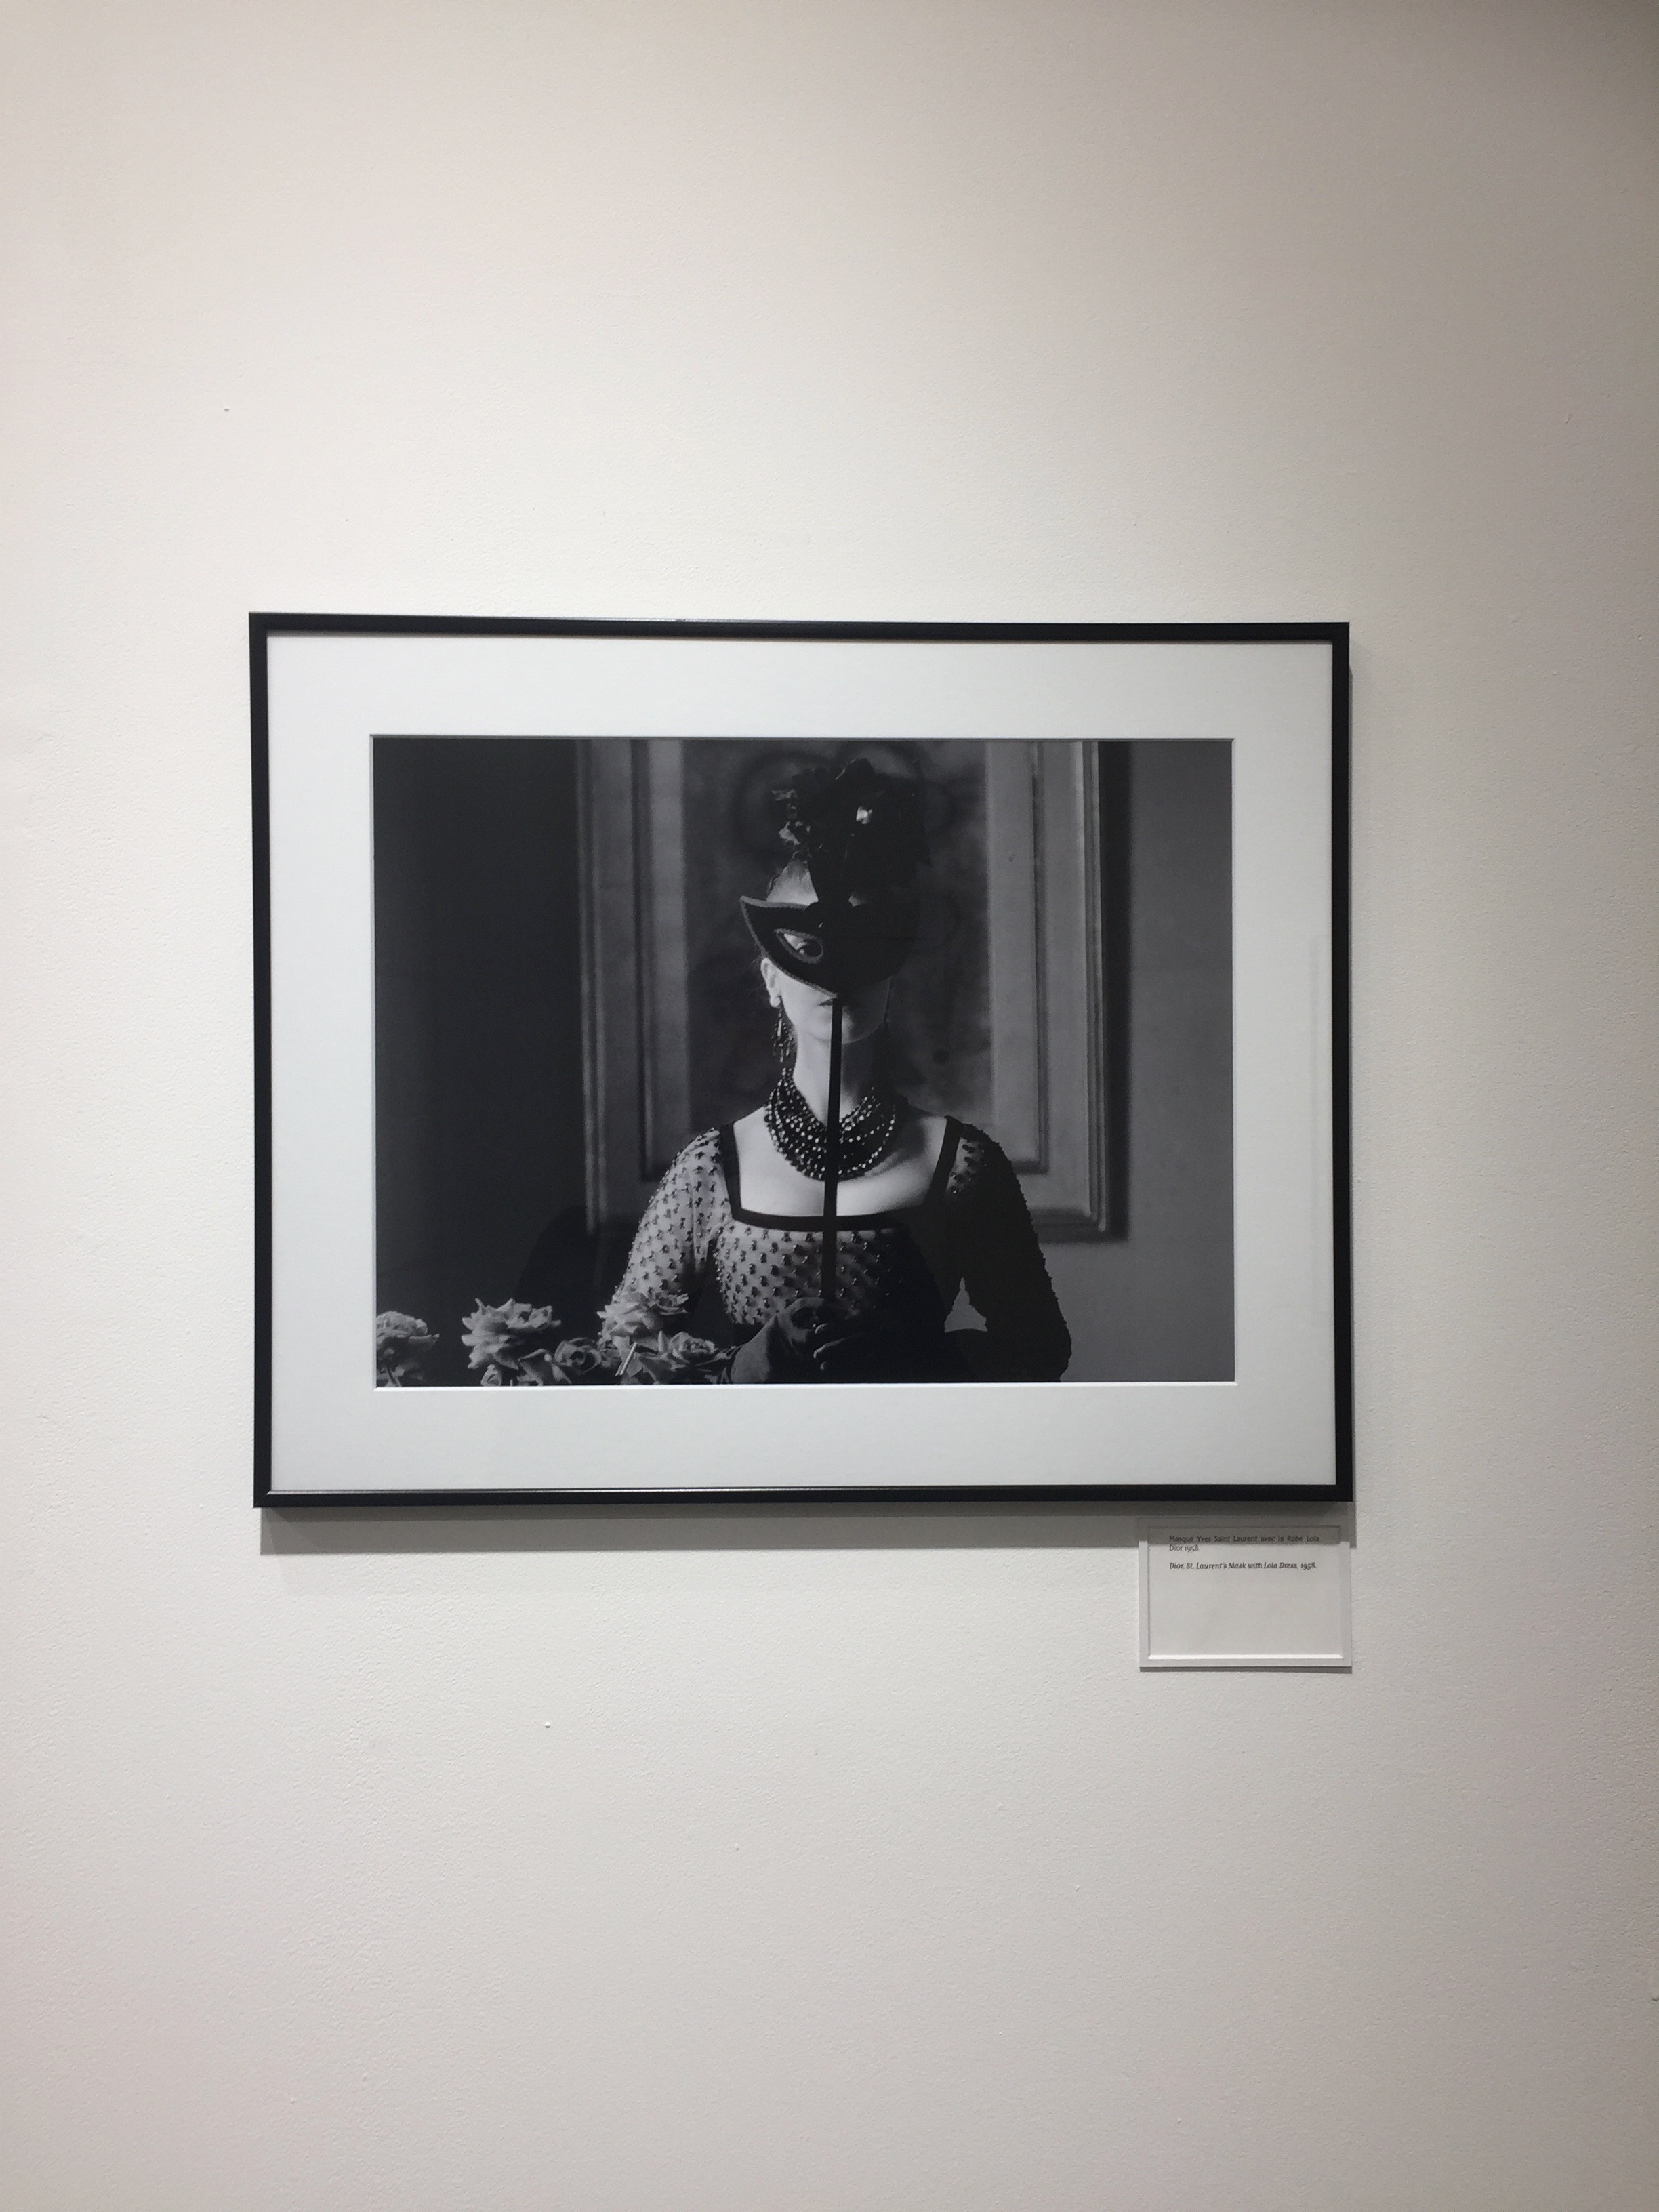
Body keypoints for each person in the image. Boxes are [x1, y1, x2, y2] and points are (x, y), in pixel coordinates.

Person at [599, 759, 1071, 1383]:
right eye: (808, 951)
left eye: (864, 948)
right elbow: (622, 1356)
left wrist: (909, 1360)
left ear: (892, 975)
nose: (837, 976)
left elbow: (1039, 1348)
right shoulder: (711, 1168)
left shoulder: (962, 1163)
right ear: (772, 979)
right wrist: (749, 1363)